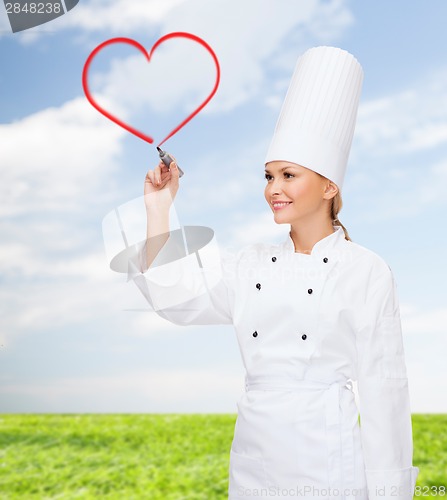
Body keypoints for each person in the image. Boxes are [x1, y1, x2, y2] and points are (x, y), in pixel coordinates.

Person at [132, 47, 420, 499]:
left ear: (329, 186)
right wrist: (159, 207)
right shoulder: (250, 265)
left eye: (288, 175)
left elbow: (385, 392)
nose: (273, 189)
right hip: (254, 462)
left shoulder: (366, 271)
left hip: (328, 464)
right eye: (268, 176)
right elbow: (174, 296)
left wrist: (390, 493)